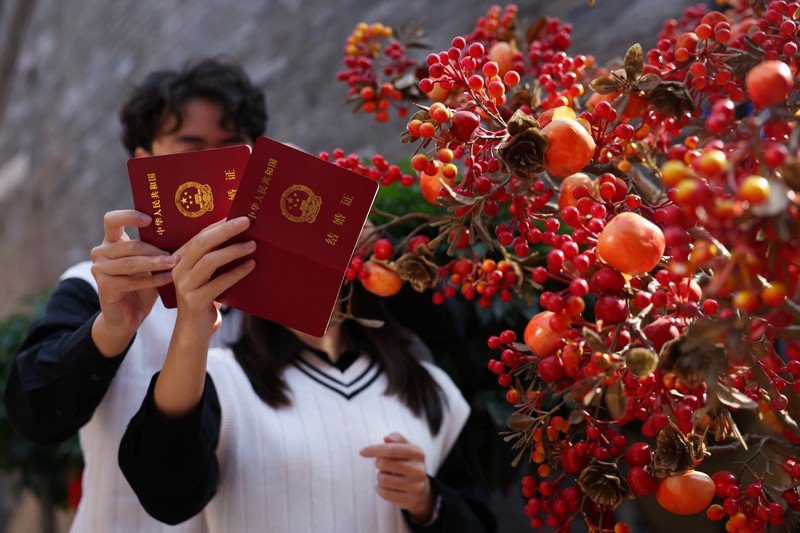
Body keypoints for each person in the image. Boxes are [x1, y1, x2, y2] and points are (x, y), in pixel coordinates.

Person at [4, 58, 268, 532]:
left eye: (230, 151)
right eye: (191, 149)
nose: (212, 168)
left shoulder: (283, 295)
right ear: (145, 163)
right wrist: (113, 326)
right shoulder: (94, 284)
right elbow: (36, 414)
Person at [117, 217, 497, 532]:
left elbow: (479, 521)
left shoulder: (430, 387)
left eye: (327, 241)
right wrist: (191, 330)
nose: (311, 264)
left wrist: (428, 502)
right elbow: (166, 495)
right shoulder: (221, 379)